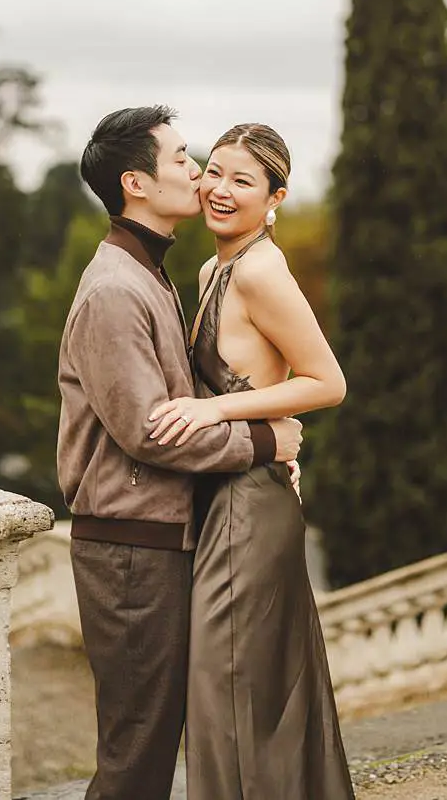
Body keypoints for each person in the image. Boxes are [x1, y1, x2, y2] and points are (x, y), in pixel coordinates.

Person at [57, 107, 304, 799]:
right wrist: (268, 440)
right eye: (183, 159)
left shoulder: (154, 273)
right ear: (136, 183)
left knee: (153, 744)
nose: (198, 175)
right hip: (130, 549)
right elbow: (150, 431)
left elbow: (188, 399)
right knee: (137, 757)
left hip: (157, 539)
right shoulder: (115, 288)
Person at [146, 123, 355, 798]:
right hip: (226, 494)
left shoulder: (262, 271)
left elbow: (328, 382)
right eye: (214, 171)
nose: (220, 189)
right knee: (238, 697)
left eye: (243, 180)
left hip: (249, 510)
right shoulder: (214, 269)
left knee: (227, 691)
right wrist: (267, 426)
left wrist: (218, 412)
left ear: (275, 199)